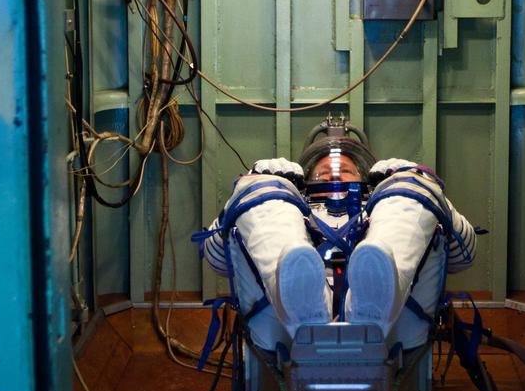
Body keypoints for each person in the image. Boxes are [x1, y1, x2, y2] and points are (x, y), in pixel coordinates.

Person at [198, 115, 477, 350]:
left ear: (363, 179)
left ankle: (372, 305)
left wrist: (419, 183)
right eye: (323, 173)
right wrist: (253, 182)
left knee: (412, 190)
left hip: (394, 326)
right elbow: (217, 260)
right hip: (285, 325)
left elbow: (462, 255)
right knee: (259, 192)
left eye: (346, 170)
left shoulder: (385, 209)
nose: (334, 174)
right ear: (306, 182)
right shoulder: (289, 210)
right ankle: (304, 307)